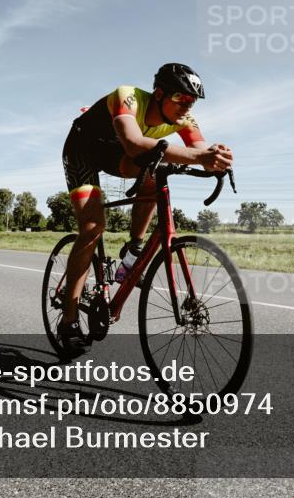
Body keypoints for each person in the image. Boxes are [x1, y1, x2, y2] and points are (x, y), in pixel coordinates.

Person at [58, 63, 232, 353]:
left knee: (155, 174)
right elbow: (135, 143)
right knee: (91, 227)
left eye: (192, 101)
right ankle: (69, 319)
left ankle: (134, 248)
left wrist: (217, 157)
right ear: (160, 93)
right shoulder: (128, 97)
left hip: (117, 156)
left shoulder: (185, 118)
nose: (186, 107)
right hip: (83, 150)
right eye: (180, 98)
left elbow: (199, 149)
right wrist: (201, 156)